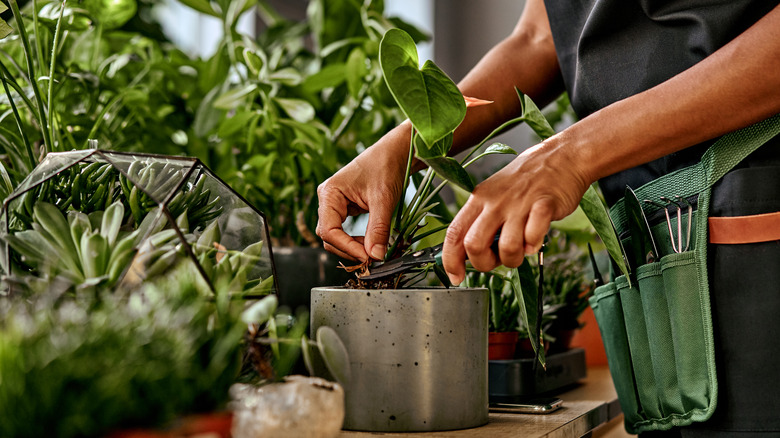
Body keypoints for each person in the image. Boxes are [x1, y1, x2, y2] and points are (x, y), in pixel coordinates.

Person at [317, 0, 780, 435]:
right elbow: (541, 38)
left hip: (754, 215)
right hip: (651, 236)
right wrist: (401, 148)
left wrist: (571, 155)